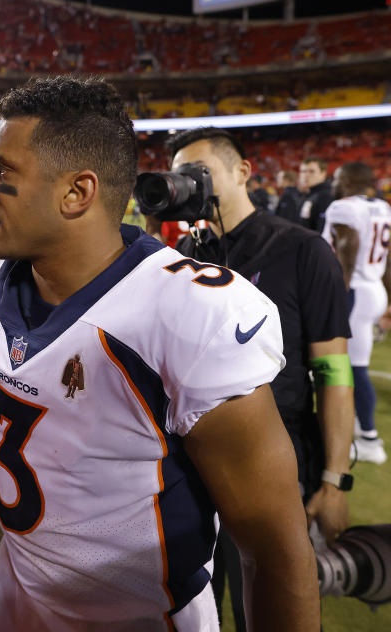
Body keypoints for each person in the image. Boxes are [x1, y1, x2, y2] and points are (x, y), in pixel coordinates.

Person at [0, 76, 319, 631]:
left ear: (77, 192)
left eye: (4, 172)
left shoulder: (186, 312)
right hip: (16, 593)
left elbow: (274, 550)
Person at [167, 127, 353, 631]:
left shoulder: (302, 249)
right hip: (186, 459)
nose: (187, 184)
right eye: (179, 175)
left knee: (266, 607)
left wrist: (336, 479)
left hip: (276, 449)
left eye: (197, 173)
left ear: (243, 172)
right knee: (189, 605)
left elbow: (333, 370)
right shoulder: (180, 256)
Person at [322, 161, 391, 465]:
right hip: (374, 287)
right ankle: (359, 430)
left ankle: (369, 439)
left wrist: (341, 290)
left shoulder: (343, 206)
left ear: (349, 180)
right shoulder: (382, 207)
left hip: (356, 291)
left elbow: (348, 245)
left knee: (351, 368)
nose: (334, 182)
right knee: (350, 367)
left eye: (338, 178)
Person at [299, 156, 333, 231]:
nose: (306, 175)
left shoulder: (326, 196)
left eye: (311, 171)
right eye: (303, 171)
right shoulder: (310, 195)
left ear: (323, 173)